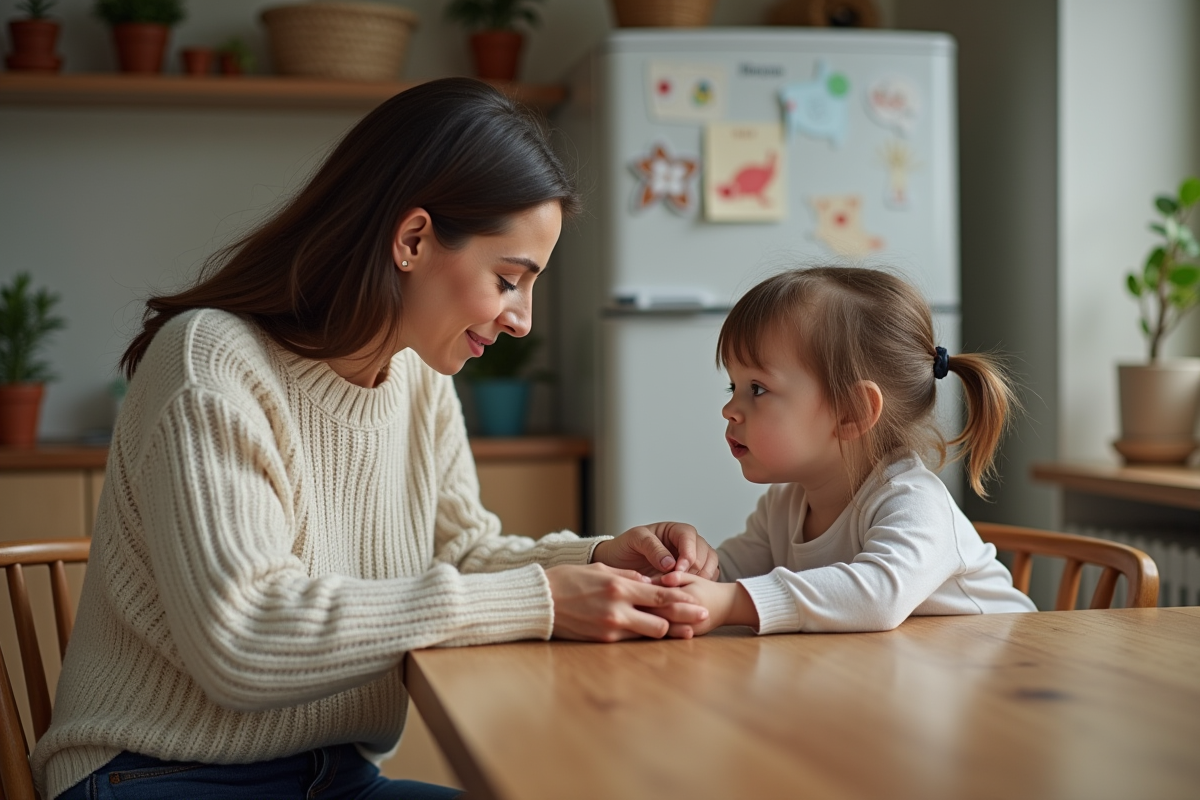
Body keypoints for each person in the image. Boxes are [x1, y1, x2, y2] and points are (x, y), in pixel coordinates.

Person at [33, 78, 718, 800]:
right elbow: (243, 639)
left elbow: (460, 554)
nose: (523, 319)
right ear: (414, 239)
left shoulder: (418, 379)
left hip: (335, 776)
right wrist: (543, 598)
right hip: (152, 776)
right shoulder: (210, 360)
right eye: (509, 280)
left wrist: (602, 559)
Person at [656, 266, 1036, 636]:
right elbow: (728, 576)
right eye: (732, 387)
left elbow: (878, 595)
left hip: (1011, 671)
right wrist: (685, 569)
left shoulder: (913, 501)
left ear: (852, 412)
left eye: (756, 389)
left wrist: (731, 603)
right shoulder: (783, 506)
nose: (729, 409)